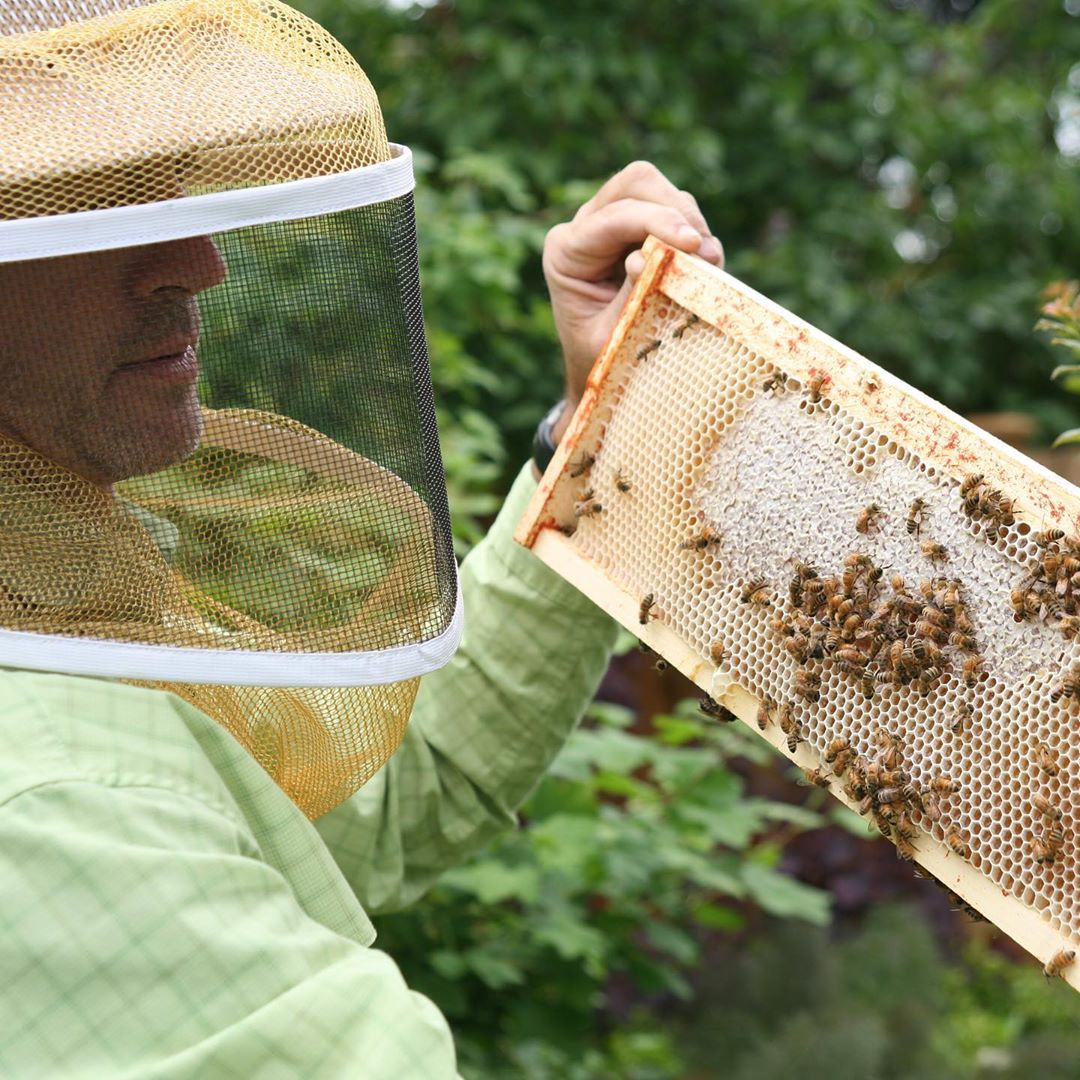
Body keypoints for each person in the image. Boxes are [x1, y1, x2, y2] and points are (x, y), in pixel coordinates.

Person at [0, 159, 722, 1075]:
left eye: (172, 201)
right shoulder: (53, 804)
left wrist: (597, 416)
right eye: (94, 215)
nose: (198, 262)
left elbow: (392, 788)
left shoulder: (56, 605)